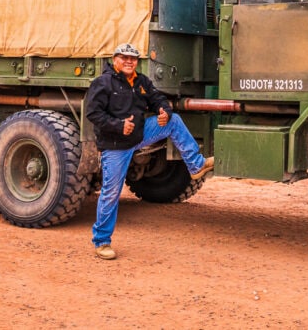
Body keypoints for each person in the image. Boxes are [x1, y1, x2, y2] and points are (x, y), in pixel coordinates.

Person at [85, 42, 214, 260]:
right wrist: (118, 126)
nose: (129, 61)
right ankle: (102, 242)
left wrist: (163, 110)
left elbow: (156, 98)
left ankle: (196, 165)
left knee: (173, 121)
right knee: (111, 193)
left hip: (139, 134)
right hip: (115, 144)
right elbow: (93, 113)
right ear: (115, 59)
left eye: (133, 58)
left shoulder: (141, 81)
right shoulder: (103, 83)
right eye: (124, 58)